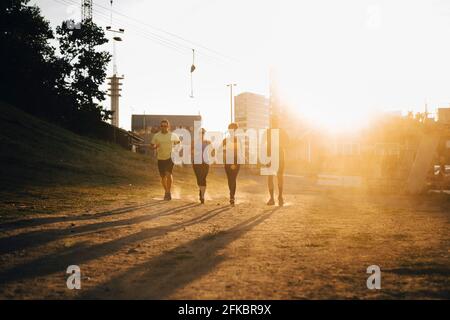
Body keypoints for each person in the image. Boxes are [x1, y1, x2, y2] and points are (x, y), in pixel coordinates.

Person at [150, 119, 180, 200]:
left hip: (170, 157)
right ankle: (166, 191)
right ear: (160, 127)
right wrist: (155, 147)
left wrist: (175, 150)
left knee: (168, 174)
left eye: (165, 126)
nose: (164, 127)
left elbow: (178, 143)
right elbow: (151, 145)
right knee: (163, 177)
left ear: (168, 127)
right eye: (162, 126)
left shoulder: (173, 135)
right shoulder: (156, 136)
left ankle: (168, 192)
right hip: (160, 158)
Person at [266, 115, 289, 206]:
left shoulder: (270, 131)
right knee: (277, 176)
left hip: (274, 156)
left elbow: (266, 144)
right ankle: (278, 198)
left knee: (272, 177)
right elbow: (288, 142)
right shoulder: (281, 131)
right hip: (276, 156)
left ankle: (275, 198)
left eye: (274, 121)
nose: (274, 122)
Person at [222, 123, 243, 206]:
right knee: (229, 179)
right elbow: (222, 150)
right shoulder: (225, 140)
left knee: (233, 178)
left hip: (236, 161)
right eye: (230, 129)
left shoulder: (238, 140)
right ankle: (231, 195)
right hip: (227, 162)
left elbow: (239, 150)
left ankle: (232, 196)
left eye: (234, 130)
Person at [192, 128, 211, 204]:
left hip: (205, 163)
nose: (201, 134)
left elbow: (212, 151)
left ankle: (202, 196)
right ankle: (201, 192)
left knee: (203, 178)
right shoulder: (194, 142)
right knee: (199, 179)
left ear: (204, 134)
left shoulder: (208, 142)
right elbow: (190, 151)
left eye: (203, 132)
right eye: (200, 132)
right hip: (196, 163)